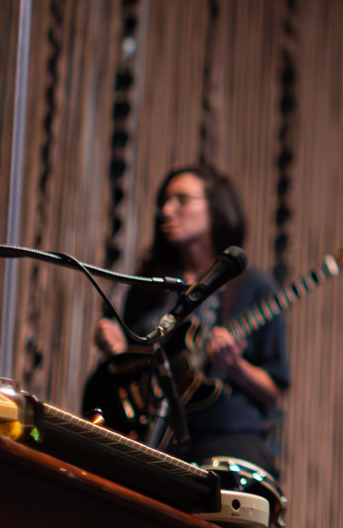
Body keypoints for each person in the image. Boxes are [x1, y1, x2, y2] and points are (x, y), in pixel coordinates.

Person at [88, 165, 290, 473]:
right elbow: (133, 364)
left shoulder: (254, 287)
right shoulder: (148, 283)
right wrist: (117, 352)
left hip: (226, 441)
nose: (166, 211)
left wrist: (235, 367)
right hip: (151, 437)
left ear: (217, 209)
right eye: (164, 202)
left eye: (181, 200)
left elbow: (272, 393)